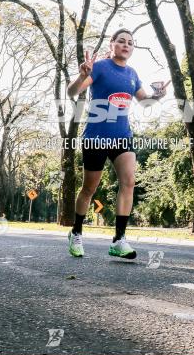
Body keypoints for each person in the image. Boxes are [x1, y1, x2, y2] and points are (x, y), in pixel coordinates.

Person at [65, 28, 168, 259]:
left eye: (130, 43)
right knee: (89, 188)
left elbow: (144, 101)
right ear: (111, 45)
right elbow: (72, 92)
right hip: (96, 137)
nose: (126, 45)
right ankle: (76, 232)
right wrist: (82, 75)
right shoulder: (100, 67)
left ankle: (119, 240)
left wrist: (158, 95)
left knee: (129, 181)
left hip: (122, 136)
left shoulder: (132, 74)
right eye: (121, 41)